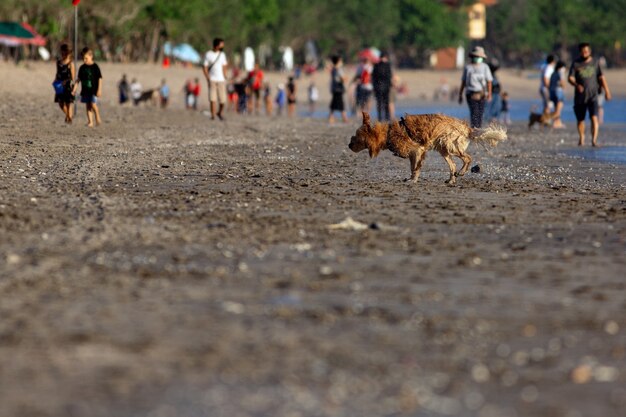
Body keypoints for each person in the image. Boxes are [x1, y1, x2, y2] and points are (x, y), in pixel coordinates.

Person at [568, 42, 612, 147]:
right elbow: (570, 78)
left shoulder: (595, 63)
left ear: (590, 51)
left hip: (593, 95)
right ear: (580, 52)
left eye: (587, 51)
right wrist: (576, 84)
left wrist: (607, 91)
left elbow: (601, 78)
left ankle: (594, 140)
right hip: (580, 96)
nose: (585, 53)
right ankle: (582, 138)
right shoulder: (576, 64)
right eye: (583, 51)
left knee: (594, 118)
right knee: (580, 120)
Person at [458, 46, 493, 128]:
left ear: (482, 57)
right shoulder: (468, 67)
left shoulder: (485, 67)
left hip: (482, 93)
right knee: (474, 111)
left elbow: (489, 81)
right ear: (472, 57)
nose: (477, 58)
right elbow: (463, 81)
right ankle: (474, 128)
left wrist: (489, 94)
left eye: (479, 57)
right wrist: (460, 94)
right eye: (476, 56)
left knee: (480, 112)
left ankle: (478, 128)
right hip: (471, 93)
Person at [72, 47, 102, 128]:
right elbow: (78, 80)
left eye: (86, 58)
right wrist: (74, 89)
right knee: (88, 106)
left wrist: (99, 90)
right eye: (83, 58)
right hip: (85, 90)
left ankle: (97, 116)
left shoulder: (95, 67)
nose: (84, 60)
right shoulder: (82, 68)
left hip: (93, 90)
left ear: (91, 56)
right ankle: (90, 122)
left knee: (93, 104)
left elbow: (99, 78)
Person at [202, 37, 228, 120]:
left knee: (222, 100)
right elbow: (205, 66)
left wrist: (225, 75)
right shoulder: (208, 54)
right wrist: (207, 77)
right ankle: (213, 115)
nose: (222, 47)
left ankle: (219, 112)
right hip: (212, 79)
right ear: (216, 45)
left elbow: (224, 66)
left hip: (221, 80)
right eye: (221, 45)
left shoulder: (222, 55)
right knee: (212, 98)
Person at [53, 43, 75, 124]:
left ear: (69, 53)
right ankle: (68, 116)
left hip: (68, 86)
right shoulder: (58, 62)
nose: (64, 54)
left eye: (65, 53)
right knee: (61, 103)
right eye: (62, 53)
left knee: (69, 103)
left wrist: (65, 81)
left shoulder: (71, 64)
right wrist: (55, 80)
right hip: (59, 85)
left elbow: (72, 77)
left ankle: (69, 118)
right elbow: (57, 73)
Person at [372, 51, 392, 121]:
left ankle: (383, 117)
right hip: (383, 86)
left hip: (381, 86)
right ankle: (384, 117)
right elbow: (389, 76)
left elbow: (373, 77)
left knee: (382, 103)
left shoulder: (377, 65)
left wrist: (374, 86)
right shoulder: (386, 65)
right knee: (383, 102)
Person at [328, 55, 348, 125]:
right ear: (338, 62)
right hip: (338, 89)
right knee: (340, 105)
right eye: (340, 61)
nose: (341, 62)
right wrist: (345, 78)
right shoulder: (338, 69)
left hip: (334, 89)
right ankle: (344, 119)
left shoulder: (333, 69)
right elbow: (343, 79)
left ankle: (331, 118)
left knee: (334, 105)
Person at [549, 61, 566, 128]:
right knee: (558, 108)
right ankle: (556, 123)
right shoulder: (560, 73)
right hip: (558, 91)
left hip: (552, 91)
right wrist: (564, 86)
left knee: (556, 108)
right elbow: (562, 83)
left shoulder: (553, 73)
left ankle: (557, 122)